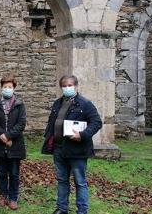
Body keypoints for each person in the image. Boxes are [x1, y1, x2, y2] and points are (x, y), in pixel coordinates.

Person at [42, 75, 103, 214]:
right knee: (62, 180)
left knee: (80, 182)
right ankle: (62, 208)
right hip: (59, 149)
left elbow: (96, 122)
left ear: (76, 86)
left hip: (77, 150)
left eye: (70, 85)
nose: (67, 88)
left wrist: (82, 135)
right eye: (64, 85)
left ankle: (82, 210)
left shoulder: (85, 104)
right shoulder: (57, 103)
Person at [0, 74, 26, 210]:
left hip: (15, 144)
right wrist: (2, 136)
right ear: (1, 88)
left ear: (14, 88)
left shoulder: (20, 105)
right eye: (5, 87)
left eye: (10, 87)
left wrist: (9, 136)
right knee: (1, 173)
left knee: (14, 173)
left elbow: (21, 123)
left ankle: (13, 198)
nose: (7, 89)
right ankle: (3, 196)